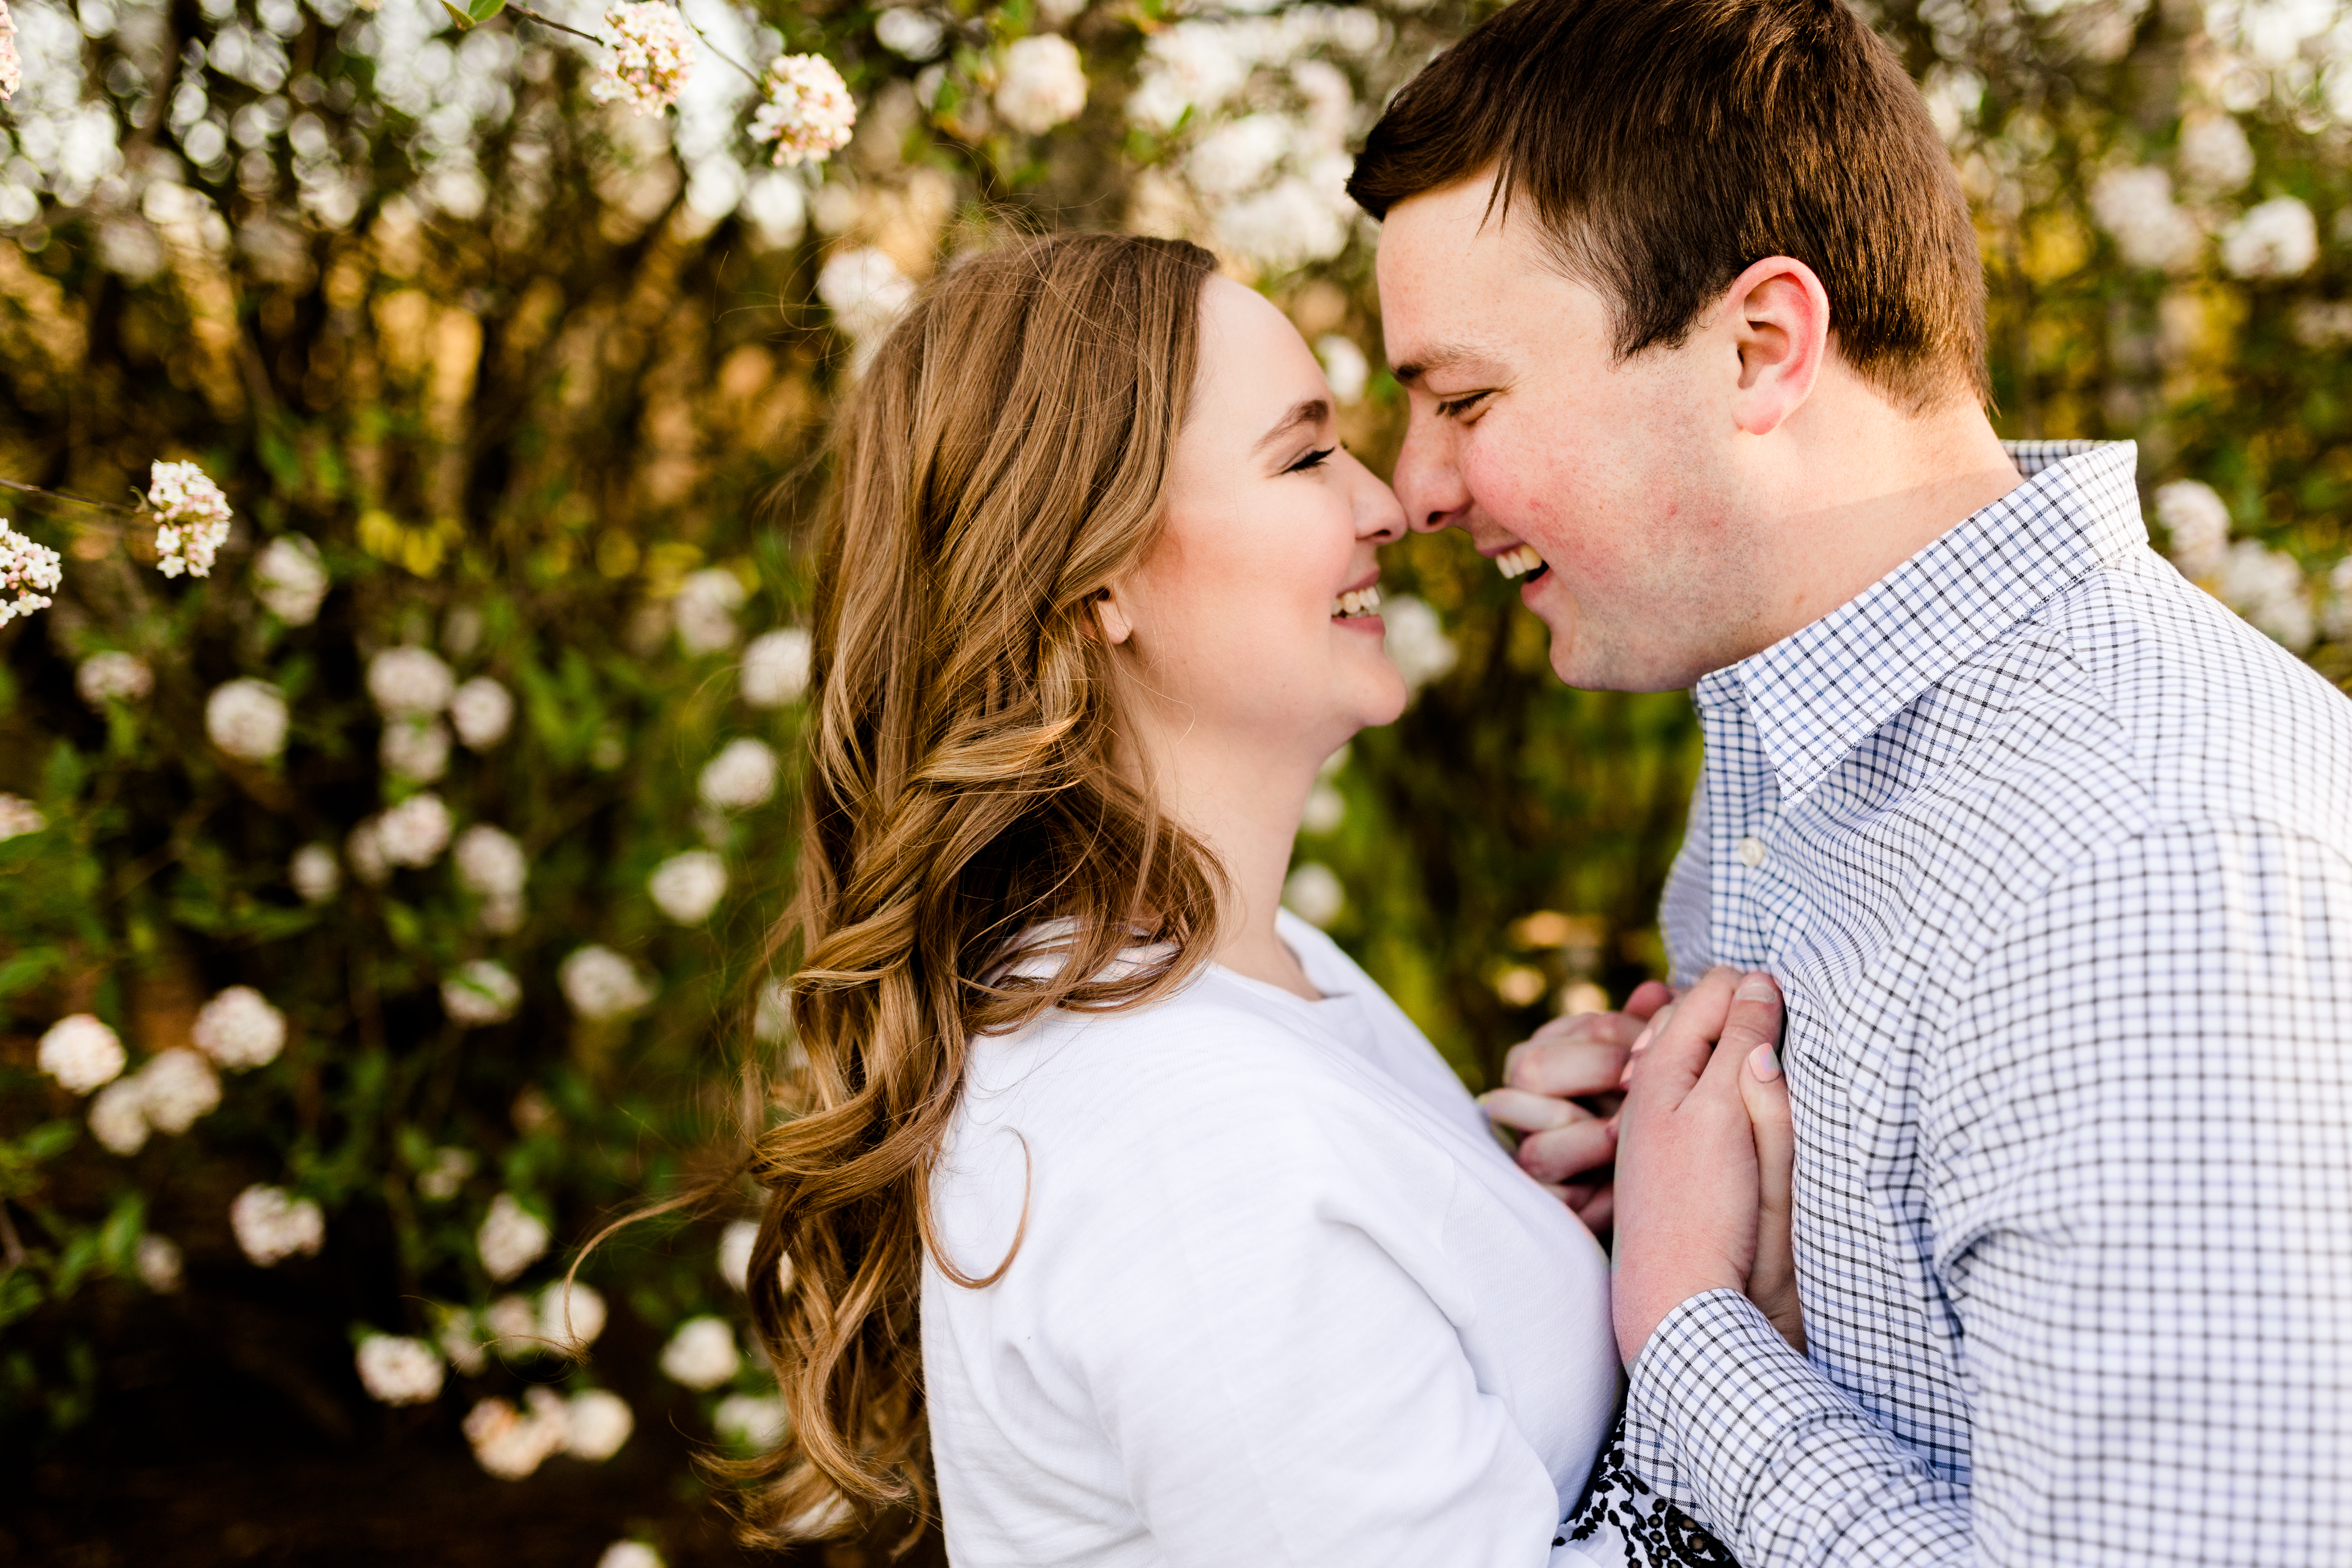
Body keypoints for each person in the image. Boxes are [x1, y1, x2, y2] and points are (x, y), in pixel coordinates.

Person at [1351, 0, 2352, 1564]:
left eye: (1465, 400)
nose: (1413, 486)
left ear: (1763, 348)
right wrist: (1662, 1175)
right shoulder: (1778, 739)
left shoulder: (2139, 869)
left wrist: (1686, 1333)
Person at [729, 232, 1786, 1566]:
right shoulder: (1180, 1138)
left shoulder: (1251, 968)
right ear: (1091, 580)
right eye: (1301, 458)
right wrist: (1712, 1310)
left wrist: (1507, 1191)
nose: (1389, 503)